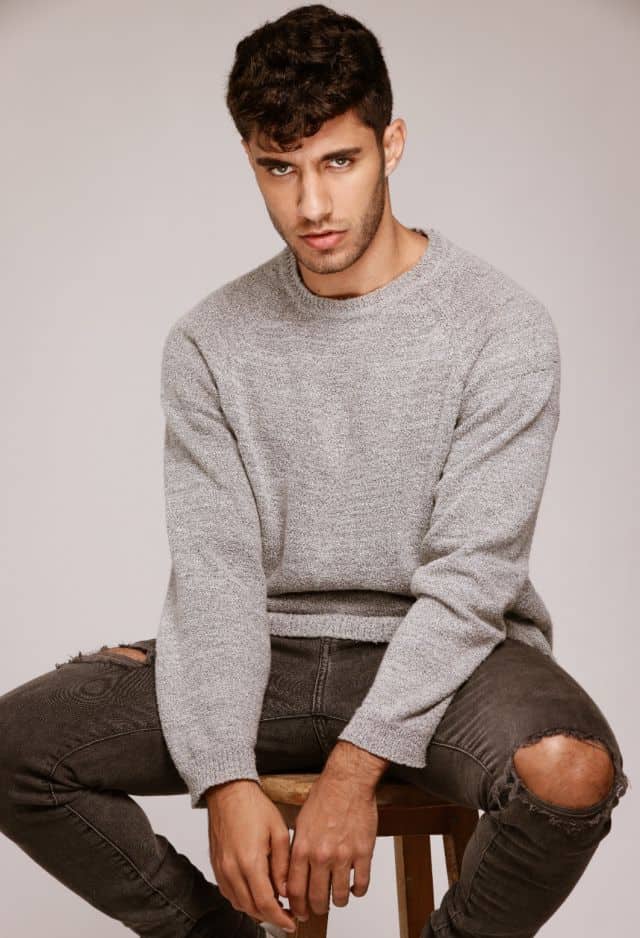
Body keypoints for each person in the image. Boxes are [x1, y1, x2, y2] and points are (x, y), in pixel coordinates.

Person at [0, 4, 630, 938]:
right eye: (279, 168)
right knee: (15, 748)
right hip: (267, 653)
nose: (312, 207)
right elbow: (216, 572)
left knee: (571, 772)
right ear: (250, 160)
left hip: (446, 656)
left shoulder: (501, 328)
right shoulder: (210, 341)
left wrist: (355, 767)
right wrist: (224, 776)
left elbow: (472, 579)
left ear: (391, 144)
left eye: (339, 161)